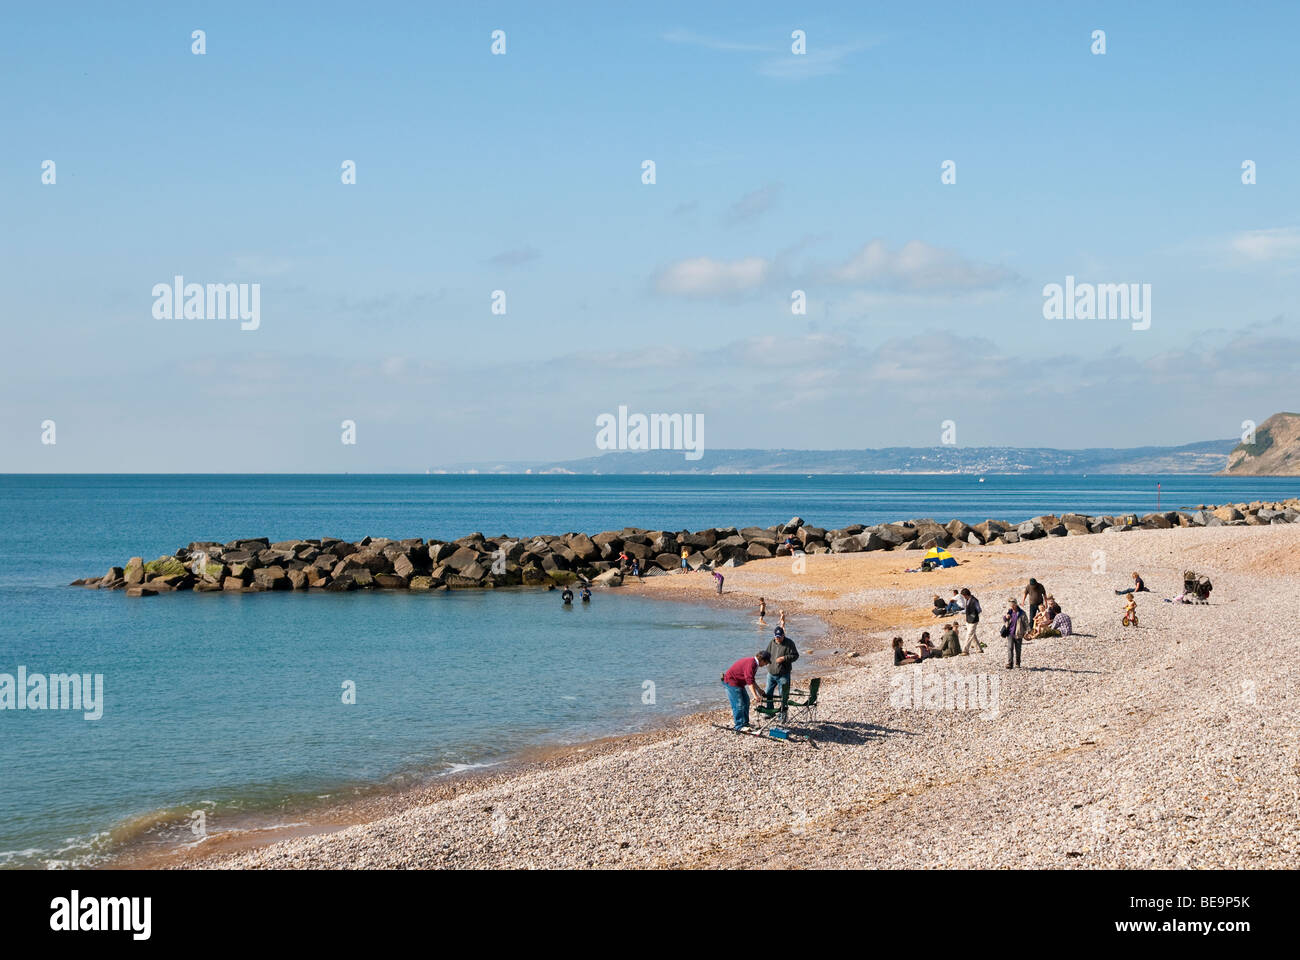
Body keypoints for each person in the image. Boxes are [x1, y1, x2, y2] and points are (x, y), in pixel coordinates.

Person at [721, 650, 771, 731]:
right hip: (731, 682)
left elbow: (751, 679)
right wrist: (755, 696)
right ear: (762, 660)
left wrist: (758, 689)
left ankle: (745, 723)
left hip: (739, 683)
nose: (766, 665)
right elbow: (749, 682)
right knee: (738, 704)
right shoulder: (751, 664)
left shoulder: (754, 664)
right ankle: (739, 726)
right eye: (766, 662)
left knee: (746, 701)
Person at [764, 626, 799, 723]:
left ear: (783, 635)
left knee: (783, 695)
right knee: (768, 692)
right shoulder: (772, 642)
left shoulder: (789, 643)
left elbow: (796, 656)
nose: (777, 638)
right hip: (771, 674)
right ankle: (770, 711)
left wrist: (784, 658)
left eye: (779, 636)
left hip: (783, 674)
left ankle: (783, 715)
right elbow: (766, 654)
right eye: (776, 636)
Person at [1003, 598, 1027, 669]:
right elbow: (1004, 619)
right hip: (1010, 633)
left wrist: (1028, 632)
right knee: (1010, 648)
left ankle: (1017, 663)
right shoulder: (1009, 612)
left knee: (1018, 649)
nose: (1012, 607)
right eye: (1010, 605)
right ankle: (1010, 663)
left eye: (1013, 605)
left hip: (1018, 633)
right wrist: (1005, 617)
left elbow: (1026, 623)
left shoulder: (1022, 613)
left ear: (1016, 604)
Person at [960, 588, 984, 654]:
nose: (963, 597)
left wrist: (973, 615)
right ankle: (979, 649)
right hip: (968, 620)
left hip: (974, 621)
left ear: (966, 594)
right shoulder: (967, 600)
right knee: (972, 635)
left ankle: (965, 650)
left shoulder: (974, 600)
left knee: (969, 634)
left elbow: (979, 610)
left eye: (963, 595)